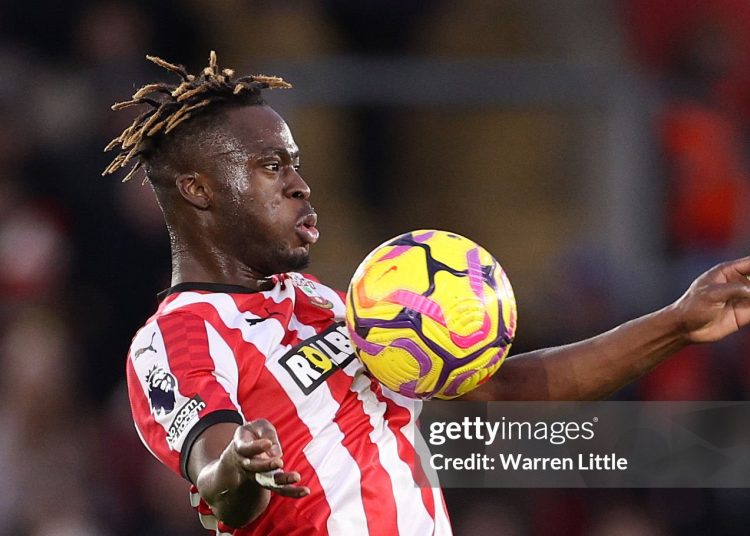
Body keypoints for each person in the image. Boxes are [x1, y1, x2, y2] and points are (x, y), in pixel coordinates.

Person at [106, 52, 750, 535]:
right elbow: (219, 480)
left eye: (297, 163)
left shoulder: (330, 303)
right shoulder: (176, 339)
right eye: (273, 167)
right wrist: (240, 470)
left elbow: (504, 387)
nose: (301, 185)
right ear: (199, 189)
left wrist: (678, 323)